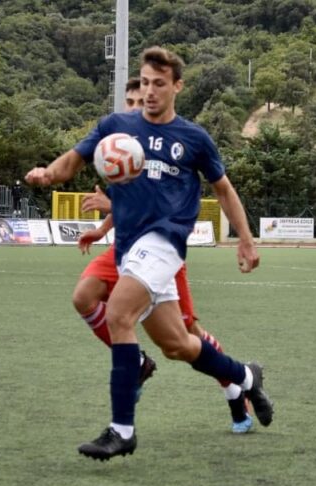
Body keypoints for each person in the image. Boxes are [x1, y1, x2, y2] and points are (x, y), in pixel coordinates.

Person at [26, 46, 273, 461]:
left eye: (160, 84)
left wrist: (246, 239)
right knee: (177, 345)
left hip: (164, 243)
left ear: (177, 86)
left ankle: (122, 430)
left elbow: (224, 190)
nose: (151, 91)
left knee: (120, 314)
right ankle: (246, 376)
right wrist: (49, 173)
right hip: (128, 249)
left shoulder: (194, 139)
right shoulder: (117, 127)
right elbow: (74, 158)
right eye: (145, 83)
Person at [72, 78, 252, 434]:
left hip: (159, 252)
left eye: (141, 101)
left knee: (187, 335)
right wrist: (103, 228)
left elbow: (159, 206)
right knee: (84, 297)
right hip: (123, 249)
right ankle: (136, 363)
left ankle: (234, 386)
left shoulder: (171, 145)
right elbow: (126, 202)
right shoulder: (122, 146)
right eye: (129, 101)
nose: (134, 108)